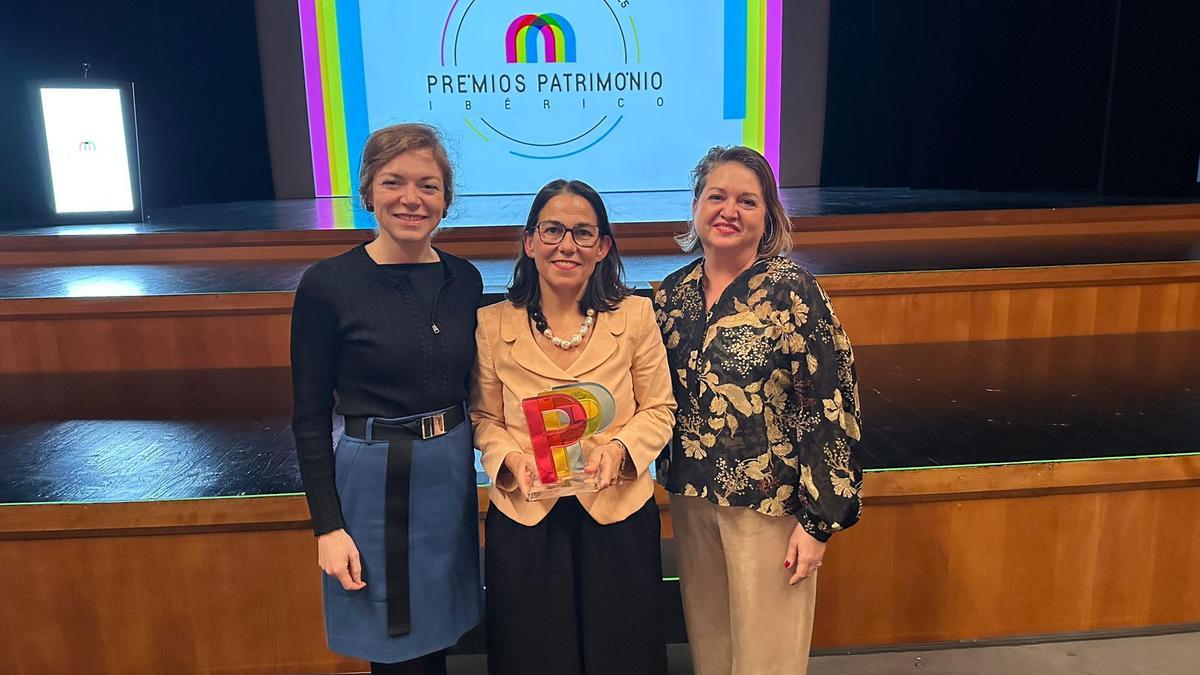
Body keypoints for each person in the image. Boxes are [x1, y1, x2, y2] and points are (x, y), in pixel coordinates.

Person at [654, 146, 864, 675]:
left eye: (747, 201)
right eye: (716, 196)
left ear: (768, 216)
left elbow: (831, 404)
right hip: (692, 496)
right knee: (711, 644)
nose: (729, 211)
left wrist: (819, 523)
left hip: (771, 506)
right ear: (696, 207)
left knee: (765, 657)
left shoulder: (794, 292)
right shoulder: (672, 296)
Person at [290, 123, 483, 674]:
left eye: (428, 185)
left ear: (446, 199)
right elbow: (307, 419)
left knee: (441, 638)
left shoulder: (464, 279)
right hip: (374, 484)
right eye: (394, 181)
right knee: (396, 649)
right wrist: (327, 527)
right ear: (368, 190)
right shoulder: (327, 284)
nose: (411, 199)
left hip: (448, 476)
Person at [470, 179, 676, 674]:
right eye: (553, 230)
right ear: (529, 241)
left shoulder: (637, 315)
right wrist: (509, 460)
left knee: (623, 653)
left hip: (617, 512)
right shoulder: (492, 324)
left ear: (603, 247)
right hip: (527, 516)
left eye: (584, 233)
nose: (567, 245)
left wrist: (622, 449)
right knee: (534, 656)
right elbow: (483, 418)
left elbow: (660, 408)